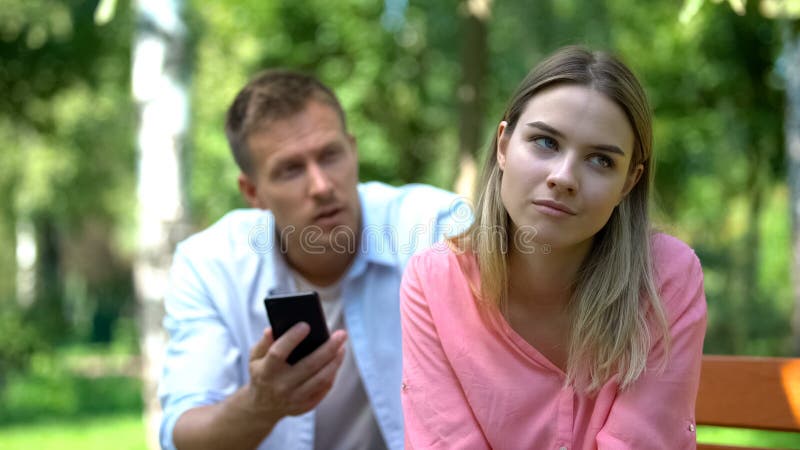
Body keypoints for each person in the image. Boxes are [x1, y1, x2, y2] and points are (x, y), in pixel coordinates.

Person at [400, 46, 707, 449]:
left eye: (600, 161)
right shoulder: (432, 283)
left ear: (628, 183)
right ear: (504, 146)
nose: (564, 178)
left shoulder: (666, 277)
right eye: (545, 142)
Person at [158, 69, 469, 450]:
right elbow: (182, 433)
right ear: (252, 191)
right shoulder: (209, 265)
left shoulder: (434, 228)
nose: (321, 186)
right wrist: (261, 404)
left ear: (353, 150)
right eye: (290, 170)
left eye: (330, 155)